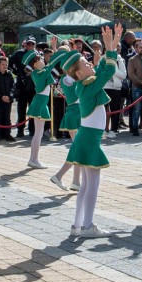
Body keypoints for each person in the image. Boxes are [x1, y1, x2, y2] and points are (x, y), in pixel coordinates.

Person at [63, 24, 123, 238]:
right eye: (86, 63)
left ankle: (77, 225)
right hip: (89, 139)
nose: (90, 63)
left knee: (85, 186)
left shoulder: (85, 83)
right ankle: (88, 226)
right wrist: (109, 47)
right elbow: (108, 71)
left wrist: (111, 45)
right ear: (79, 73)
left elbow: (102, 68)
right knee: (92, 186)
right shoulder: (88, 86)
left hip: (87, 138)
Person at [51, 51, 82, 190]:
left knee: (78, 149)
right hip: (74, 115)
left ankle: (75, 181)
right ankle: (59, 176)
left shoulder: (72, 77)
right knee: (78, 149)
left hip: (78, 114)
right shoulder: (67, 79)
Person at [24, 38, 57, 168]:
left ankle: (33, 159)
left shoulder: (39, 72)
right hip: (40, 103)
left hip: (40, 102)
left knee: (38, 133)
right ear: (35, 64)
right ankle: (34, 160)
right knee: (38, 133)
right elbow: (52, 64)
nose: (43, 61)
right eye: (41, 60)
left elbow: (50, 65)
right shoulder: (38, 73)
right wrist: (54, 48)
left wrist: (54, 48)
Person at [10, 37, 37, 138]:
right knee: (21, 109)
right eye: (29, 44)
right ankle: (20, 130)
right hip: (21, 85)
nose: (30, 46)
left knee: (32, 109)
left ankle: (32, 130)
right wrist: (16, 71)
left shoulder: (37, 54)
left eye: (32, 44)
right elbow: (10, 62)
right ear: (25, 44)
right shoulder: (19, 53)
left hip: (33, 85)